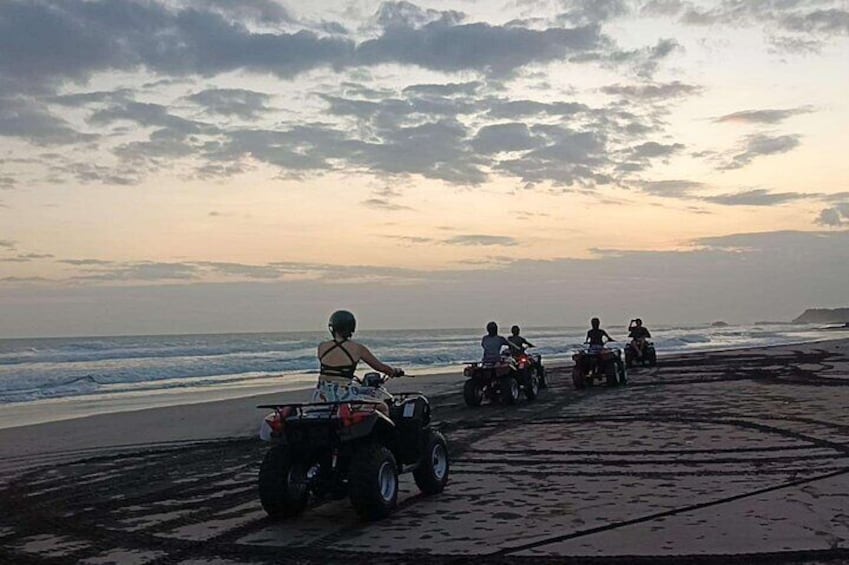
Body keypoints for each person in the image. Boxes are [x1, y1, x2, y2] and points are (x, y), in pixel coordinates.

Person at [314, 310, 402, 406]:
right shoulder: (358, 349)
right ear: (351, 328)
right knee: (382, 406)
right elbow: (381, 368)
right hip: (344, 396)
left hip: (320, 396)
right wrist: (394, 371)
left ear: (332, 327)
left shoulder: (322, 347)